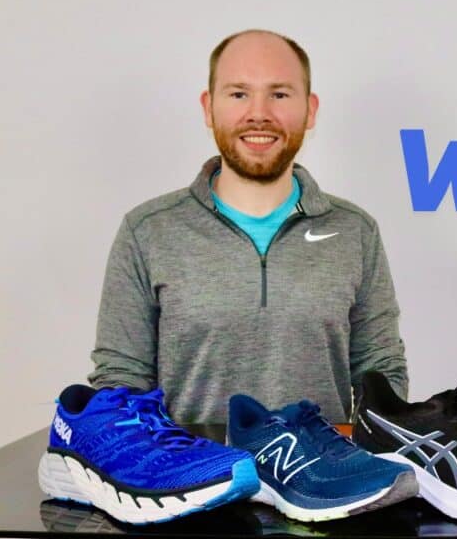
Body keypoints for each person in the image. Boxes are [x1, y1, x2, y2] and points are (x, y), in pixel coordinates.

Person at [88, 29, 408, 424]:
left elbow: (381, 372)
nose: (259, 113)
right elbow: (121, 383)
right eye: (239, 93)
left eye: (279, 94)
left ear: (310, 110)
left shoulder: (355, 231)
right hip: (194, 479)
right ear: (209, 108)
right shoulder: (147, 231)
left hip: (322, 480)